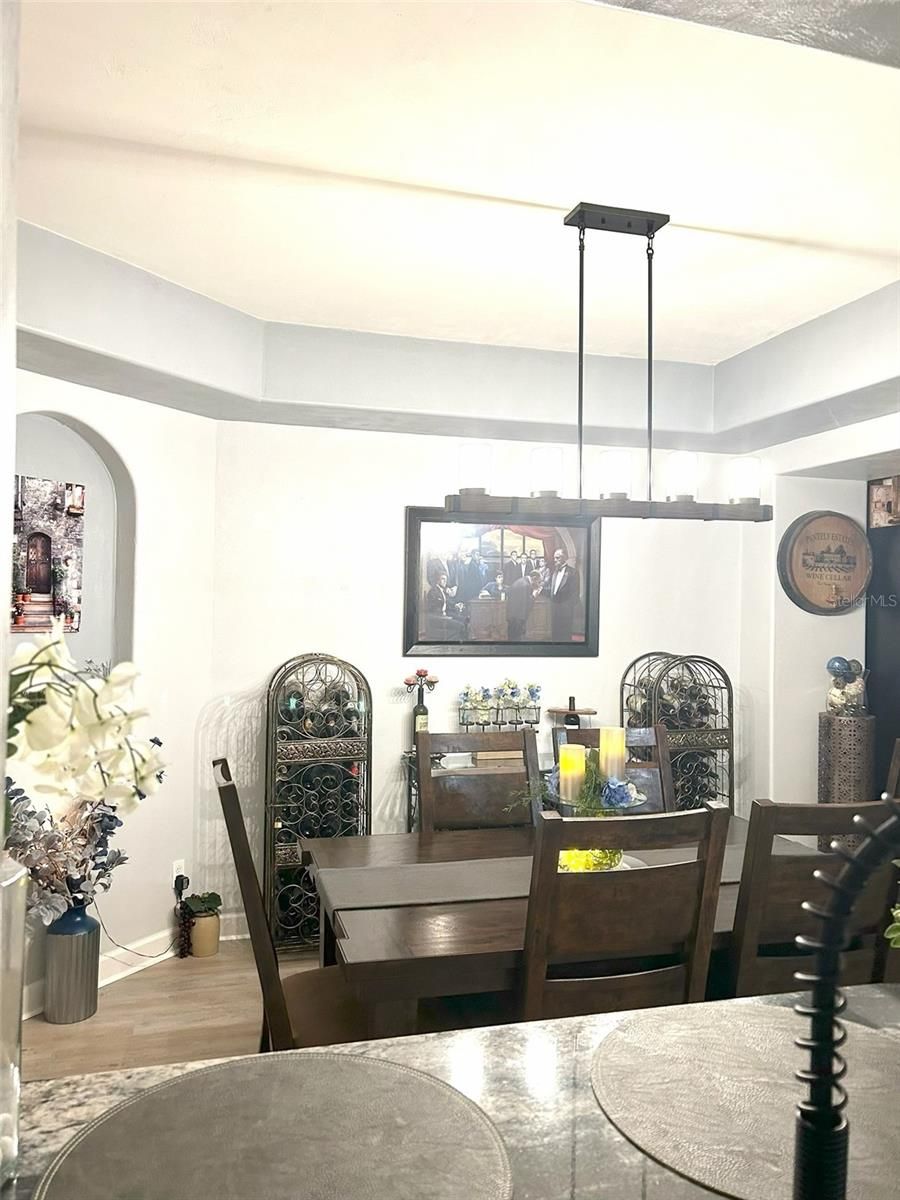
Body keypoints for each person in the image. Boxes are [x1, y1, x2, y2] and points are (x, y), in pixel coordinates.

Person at [546, 547, 579, 642]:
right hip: (554, 608)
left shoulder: (573, 572)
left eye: (557, 557)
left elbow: (575, 593)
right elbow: (552, 590)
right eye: (554, 558)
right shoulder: (555, 572)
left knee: (565, 635)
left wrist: (568, 607)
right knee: (555, 634)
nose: (555, 560)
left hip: (566, 610)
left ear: (564, 557)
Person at [424, 573, 465, 640]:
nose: (445, 581)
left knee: (464, 620)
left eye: (446, 579)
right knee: (461, 626)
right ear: (437, 580)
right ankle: (454, 642)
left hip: (446, 614)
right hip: (438, 618)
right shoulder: (433, 592)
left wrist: (456, 605)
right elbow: (433, 609)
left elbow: (447, 602)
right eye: (443, 579)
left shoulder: (443, 590)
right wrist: (445, 616)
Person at [507, 570, 542, 641]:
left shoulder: (521, 581)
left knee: (512, 639)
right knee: (517, 640)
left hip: (512, 616)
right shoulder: (526, 585)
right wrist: (533, 595)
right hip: (518, 618)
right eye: (538, 582)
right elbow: (526, 604)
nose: (538, 584)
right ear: (534, 578)